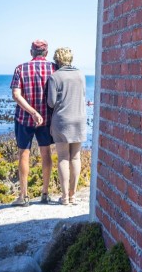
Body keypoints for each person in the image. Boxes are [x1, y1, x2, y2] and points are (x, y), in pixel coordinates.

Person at [10, 39, 55, 206]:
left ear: (31, 52)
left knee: (24, 153)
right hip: (47, 118)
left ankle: (24, 196)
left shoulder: (20, 68)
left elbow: (16, 95)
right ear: (46, 53)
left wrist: (33, 112)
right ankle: (45, 193)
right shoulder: (53, 68)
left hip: (25, 118)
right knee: (46, 153)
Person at [47, 47, 87, 205]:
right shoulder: (81, 74)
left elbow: (51, 103)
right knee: (76, 157)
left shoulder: (54, 77)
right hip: (79, 118)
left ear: (57, 60)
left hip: (62, 120)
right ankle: (73, 196)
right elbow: (83, 95)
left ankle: (64, 197)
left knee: (63, 157)